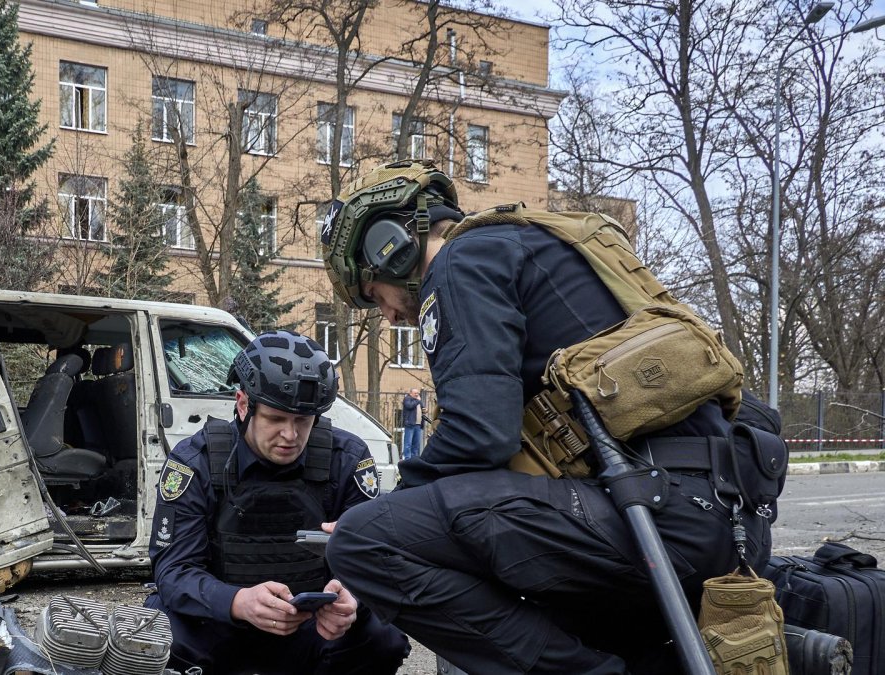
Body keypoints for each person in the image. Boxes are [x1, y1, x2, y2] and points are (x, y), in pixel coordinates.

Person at [319, 160, 784, 674]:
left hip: (655, 515)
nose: (388, 315)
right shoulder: (543, 247)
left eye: (374, 296)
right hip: (723, 521)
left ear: (390, 248)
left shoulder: (459, 262)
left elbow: (479, 434)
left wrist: (395, 507)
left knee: (363, 541)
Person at [144, 329, 410, 675]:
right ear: (243, 404)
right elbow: (173, 570)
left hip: (313, 629)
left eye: (303, 421)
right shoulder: (196, 461)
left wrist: (351, 599)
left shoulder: (346, 458)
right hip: (219, 625)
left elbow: (374, 558)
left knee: (382, 637)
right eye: (276, 419)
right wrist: (238, 601)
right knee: (158, 632)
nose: (290, 435)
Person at [401, 388, 423, 460]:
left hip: (418, 425)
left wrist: (424, 409)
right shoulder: (407, 399)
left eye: (417, 393)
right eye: (415, 393)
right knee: (408, 443)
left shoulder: (417, 400)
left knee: (416, 443)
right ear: (410, 393)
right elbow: (409, 406)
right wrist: (418, 401)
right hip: (410, 424)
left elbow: (422, 407)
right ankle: (407, 458)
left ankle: (414, 458)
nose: (417, 394)